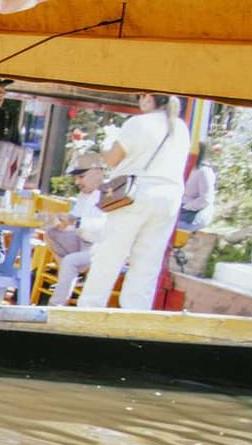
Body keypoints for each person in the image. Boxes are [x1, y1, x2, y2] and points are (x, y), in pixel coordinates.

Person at [78, 93, 191, 311]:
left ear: (148, 98)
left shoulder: (138, 123)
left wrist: (106, 143)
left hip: (135, 195)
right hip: (169, 197)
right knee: (148, 261)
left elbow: (112, 159)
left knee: (110, 255)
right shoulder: (181, 128)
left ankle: (89, 309)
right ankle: (135, 313)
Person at [43, 154, 107, 305]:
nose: (77, 182)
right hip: (83, 243)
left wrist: (75, 222)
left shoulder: (108, 193)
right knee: (50, 232)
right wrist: (61, 221)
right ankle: (74, 275)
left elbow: (104, 229)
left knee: (70, 261)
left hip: (101, 248)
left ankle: (56, 305)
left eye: (82, 177)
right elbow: (74, 221)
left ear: (98, 172)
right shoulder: (84, 195)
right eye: (76, 178)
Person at [180, 143, 216, 230]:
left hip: (193, 214)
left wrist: (185, 207)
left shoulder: (203, 171)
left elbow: (206, 199)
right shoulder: (183, 167)